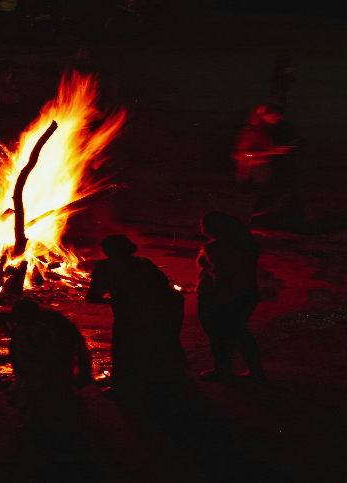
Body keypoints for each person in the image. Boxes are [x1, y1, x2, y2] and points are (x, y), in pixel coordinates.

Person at [86, 235, 187, 395]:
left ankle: (122, 387)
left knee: (124, 347)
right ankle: (173, 381)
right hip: (167, 306)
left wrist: (112, 299)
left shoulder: (104, 266)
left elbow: (93, 296)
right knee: (163, 342)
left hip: (135, 310)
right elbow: (161, 283)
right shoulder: (143, 262)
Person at [0, 299, 92, 424]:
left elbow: (49, 349)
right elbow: (14, 348)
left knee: (36, 393)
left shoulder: (39, 331)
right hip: (28, 368)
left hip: (36, 368)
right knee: (31, 392)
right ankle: (33, 419)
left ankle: (38, 420)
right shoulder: (21, 329)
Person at [196, 212, 265, 382]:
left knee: (220, 334)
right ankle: (255, 371)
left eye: (205, 225)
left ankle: (223, 370)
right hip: (246, 292)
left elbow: (222, 275)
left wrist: (218, 298)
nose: (202, 228)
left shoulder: (217, 247)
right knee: (237, 332)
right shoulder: (243, 244)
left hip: (224, 295)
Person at [232, 104, 299, 232]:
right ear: (263, 116)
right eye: (274, 114)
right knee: (264, 198)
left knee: (270, 198)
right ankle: (256, 226)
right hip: (253, 170)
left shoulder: (266, 131)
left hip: (263, 171)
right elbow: (243, 154)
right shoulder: (250, 131)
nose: (278, 117)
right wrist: (273, 152)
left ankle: (263, 225)